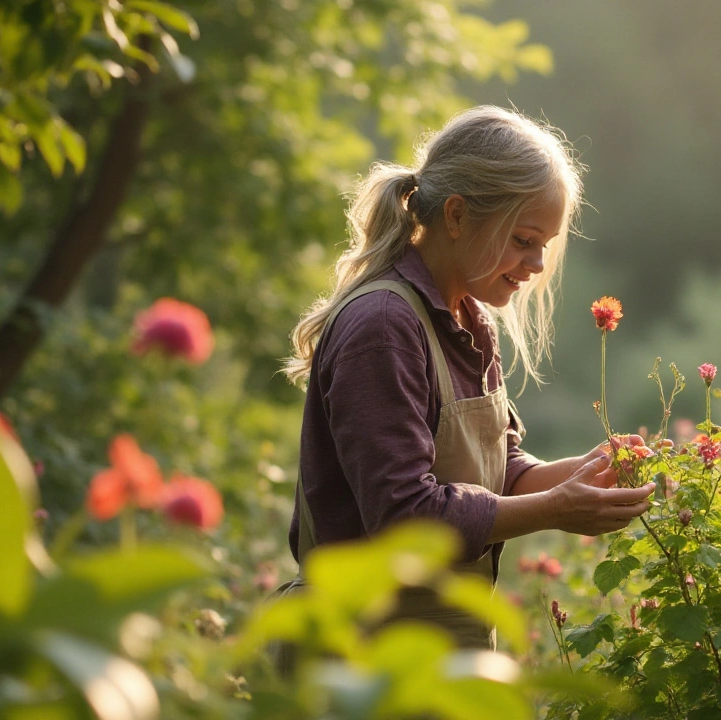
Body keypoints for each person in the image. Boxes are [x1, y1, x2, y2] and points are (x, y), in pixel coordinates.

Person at [279, 105, 655, 651]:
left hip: (433, 651)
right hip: (362, 656)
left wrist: (587, 472)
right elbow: (405, 516)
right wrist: (555, 509)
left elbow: (497, 471)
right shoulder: (384, 325)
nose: (535, 265)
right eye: (523, 240)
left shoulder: (468, 320)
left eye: (544, 246)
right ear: (456, 216)